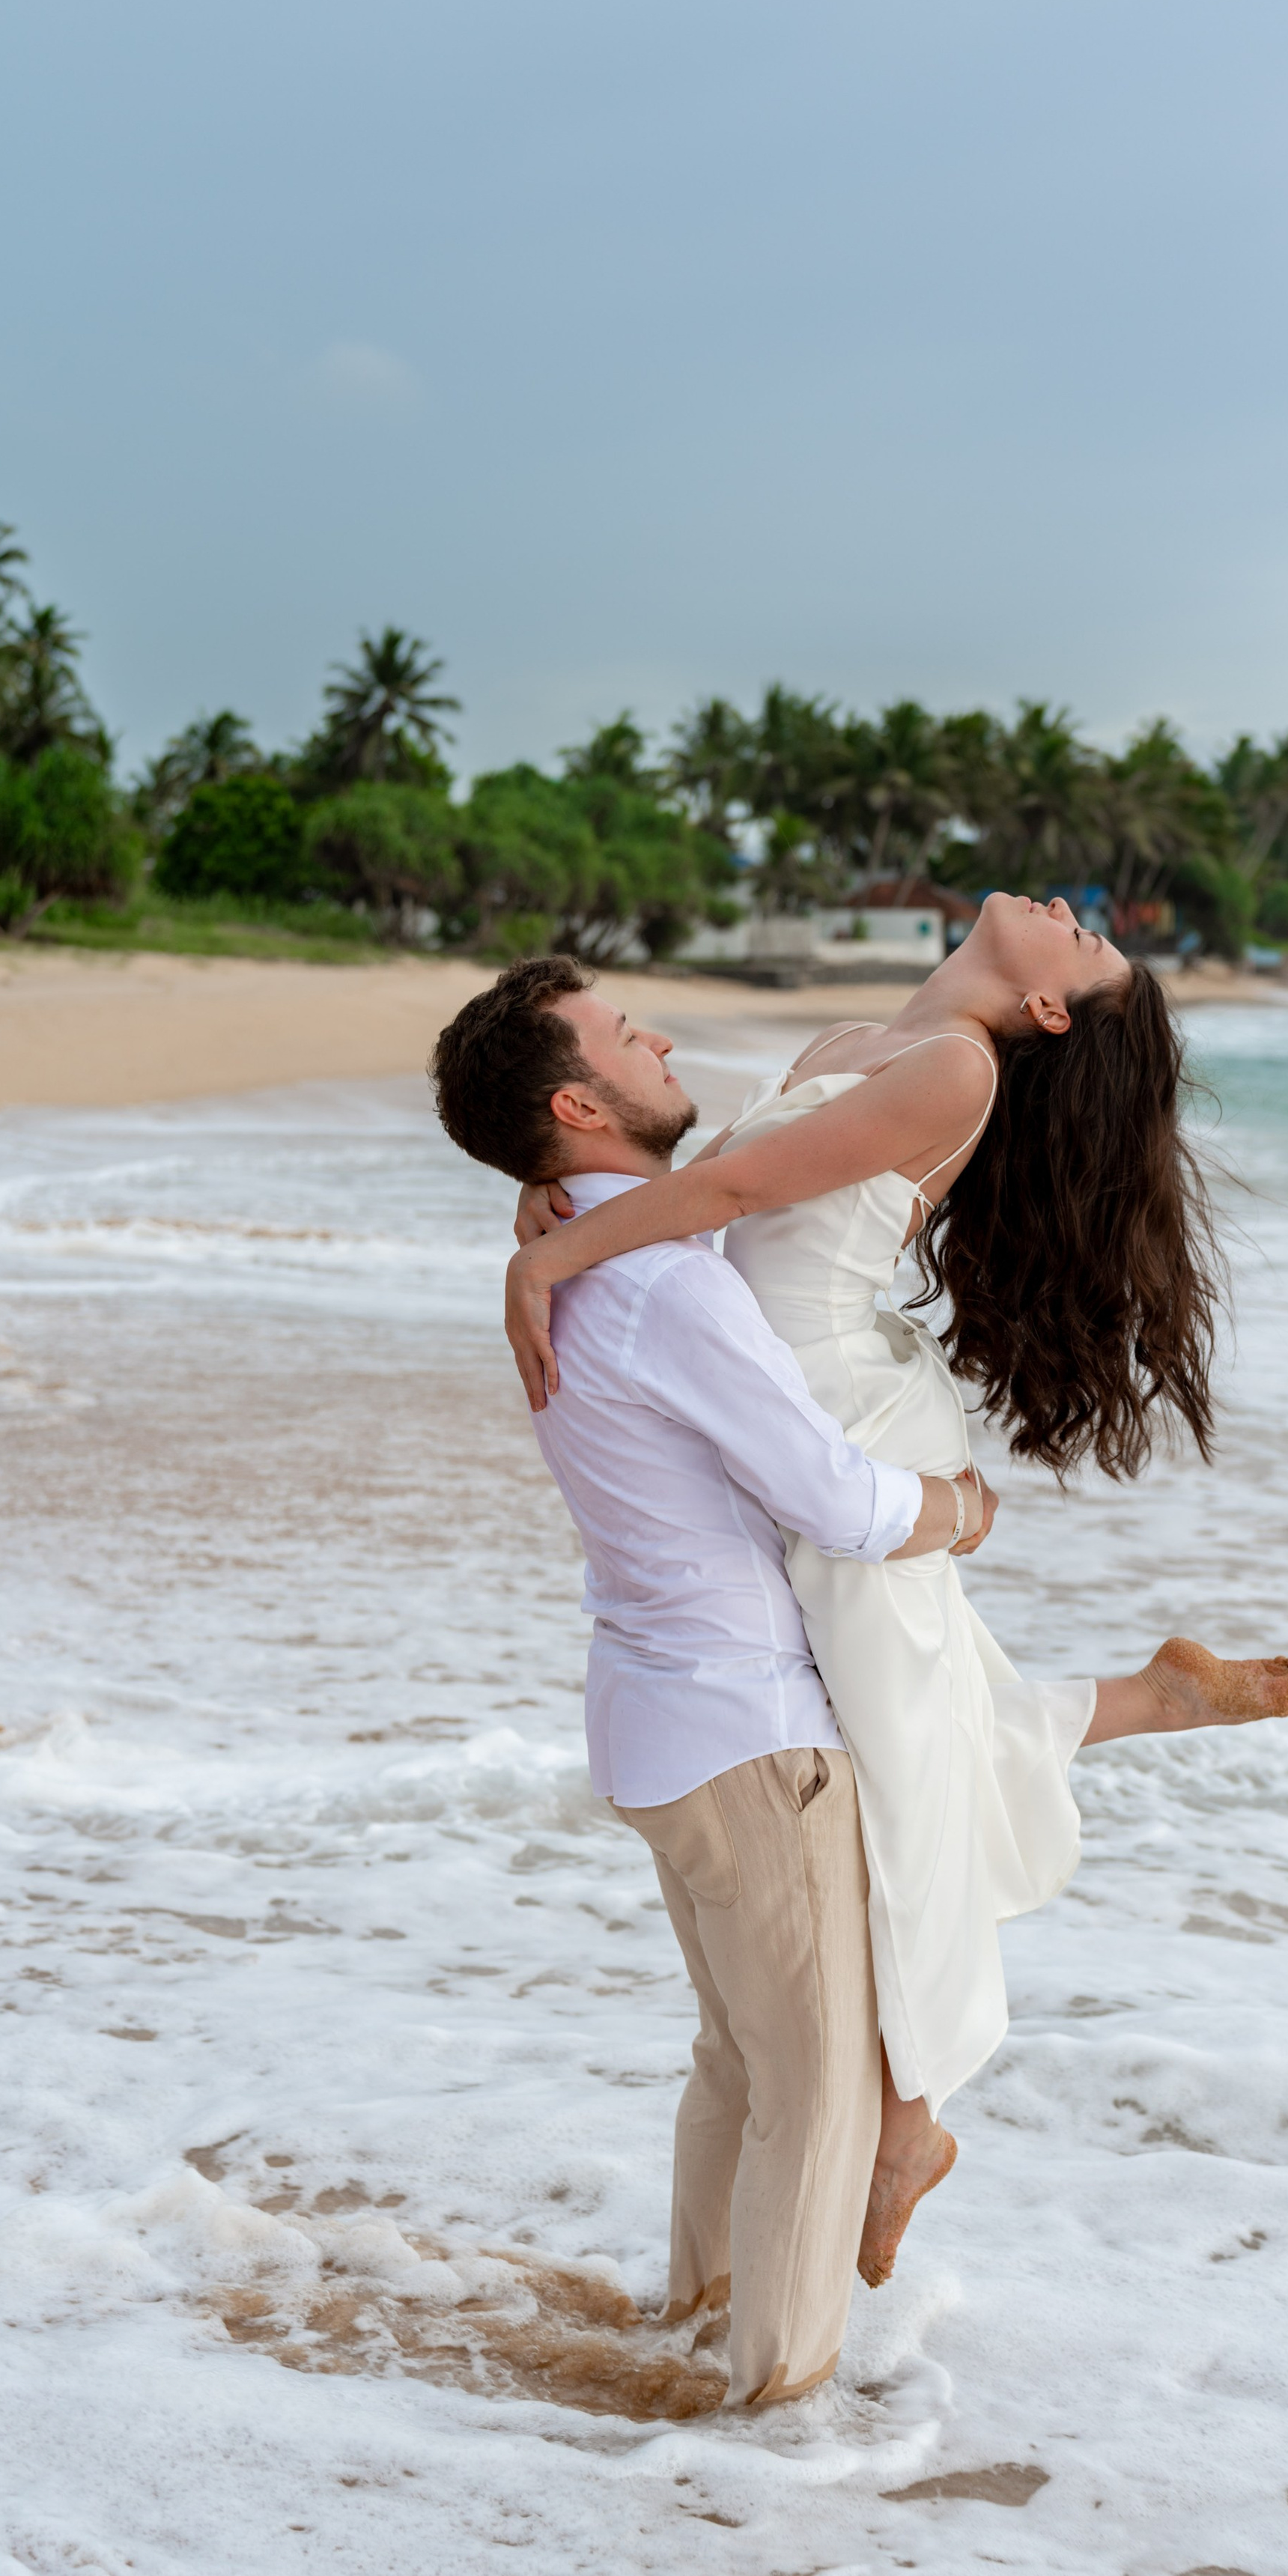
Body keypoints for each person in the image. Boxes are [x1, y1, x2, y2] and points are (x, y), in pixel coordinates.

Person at [489, 905, 1288, 2288]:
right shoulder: (869, 1038)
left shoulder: (960, 1069)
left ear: (1052, 1011)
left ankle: (911, 2119)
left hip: (842, 1424)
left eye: (1093, 949)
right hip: (791, 1402)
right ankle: (1153, 1696)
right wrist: (549, 1187)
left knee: (905, 1767)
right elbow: (699, 1169)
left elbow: (732, 1201)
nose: (1078, 917)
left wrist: (552, 1255)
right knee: (920, 1716)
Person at [431, 962, 988, 2408]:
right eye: (629, 1035)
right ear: (579, 1104)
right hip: (749, 1738)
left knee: (739, 2063)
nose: (663, 1038)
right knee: (817, 2094)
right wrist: (960, 1505)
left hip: (655, 1721)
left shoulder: (583, 1264)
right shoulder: (670, 1284)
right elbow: (838, 1503)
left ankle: (699, 2325)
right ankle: (773, 2417)